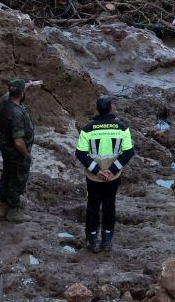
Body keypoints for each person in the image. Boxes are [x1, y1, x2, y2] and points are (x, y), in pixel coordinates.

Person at [75, 95, 134, 253]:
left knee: (92, 206)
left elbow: (80, 154)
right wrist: (112, 170)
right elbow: (129, 152)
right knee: (110, 206)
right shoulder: (122, 128)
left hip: (94, 177)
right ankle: (107, 240)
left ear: (97, 108)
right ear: (111, 107)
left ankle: (92, 240)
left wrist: (97, 171)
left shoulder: (87, 129)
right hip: (113, 176)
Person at [0, 78, 41, 221]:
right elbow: (18, 141)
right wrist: (26, 155)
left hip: (5, 147)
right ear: (22, 94)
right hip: (16, 151)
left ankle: (3, 197)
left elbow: (13, 90)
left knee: (7, 172)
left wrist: (30, 84)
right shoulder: (16, 113)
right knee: (17, 178)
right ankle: (13, 210)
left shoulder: (5, 101)